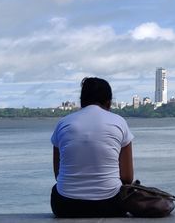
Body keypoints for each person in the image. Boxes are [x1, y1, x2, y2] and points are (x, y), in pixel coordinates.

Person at [49, 77, 134, 218]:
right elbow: (127, 177)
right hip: (110, 205)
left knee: (57, 189)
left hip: (65, 206)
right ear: (109, 102)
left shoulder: (63, 123)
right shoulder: (119, 122)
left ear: (82, 101)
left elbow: (58, 175)